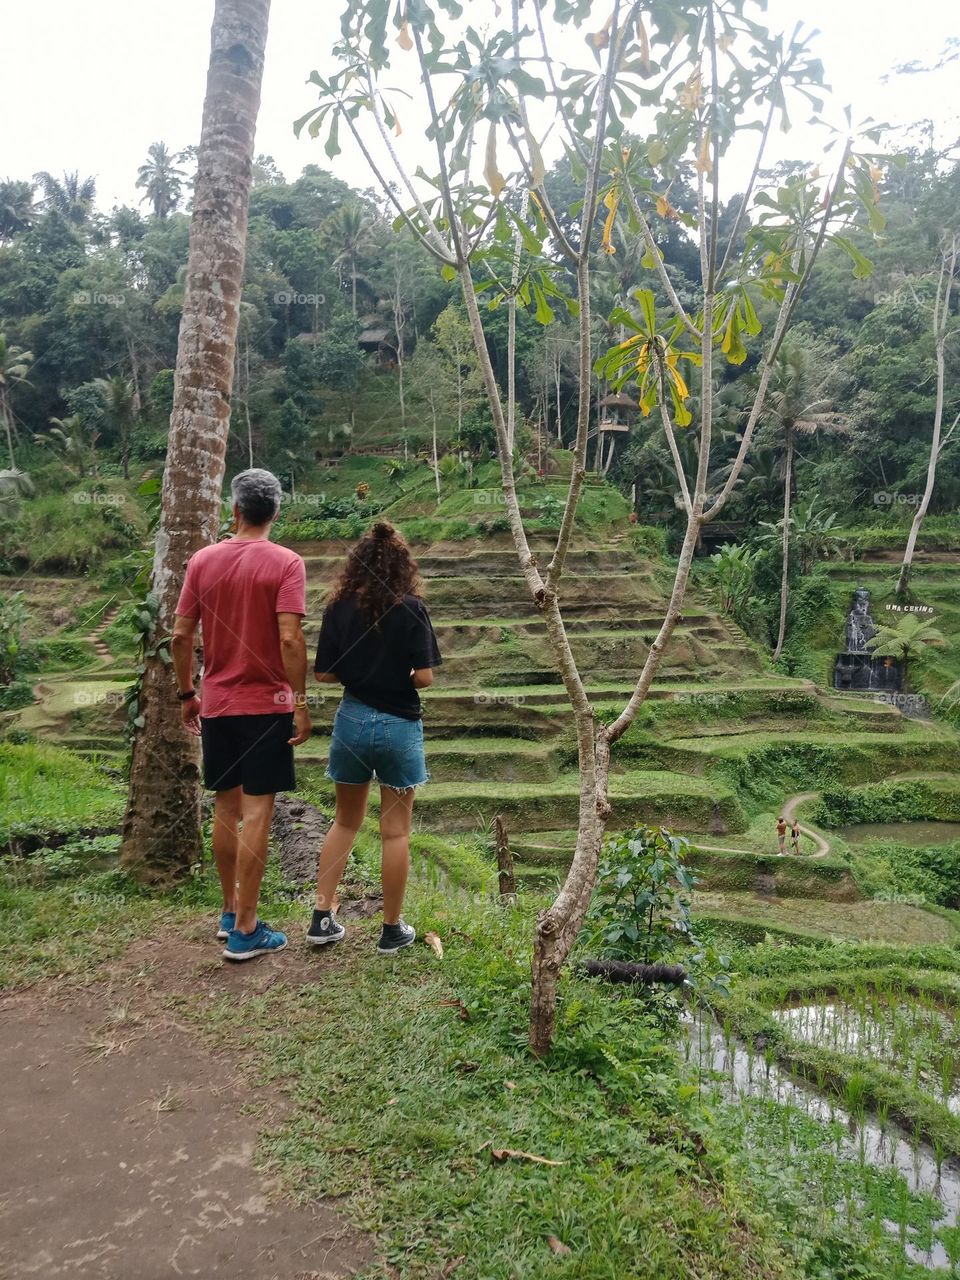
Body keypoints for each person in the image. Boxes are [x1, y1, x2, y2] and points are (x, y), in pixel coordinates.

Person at [171, 468, 311, 962]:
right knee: (257, 813)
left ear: (234, 510)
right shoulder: (286, 563)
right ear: (275, 512)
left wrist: (188, 693)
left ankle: (230, 911)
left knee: (226, 809)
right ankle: (247, 931)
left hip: (216, 705)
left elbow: (180, 636)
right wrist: (300, 702)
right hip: (266, 708)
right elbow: (290, 638)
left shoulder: (202, 560)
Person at [307, 521, 441, 955]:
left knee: (345, 821)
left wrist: (359, 672)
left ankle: (321, 918)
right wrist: (396, 674)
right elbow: (424, 678)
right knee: (395, 832)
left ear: (357, 564)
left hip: (352, 722)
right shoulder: (411, 608)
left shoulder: (338, 607)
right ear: (402, 566)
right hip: (399, 725)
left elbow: (324, 673)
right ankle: (391, 930)